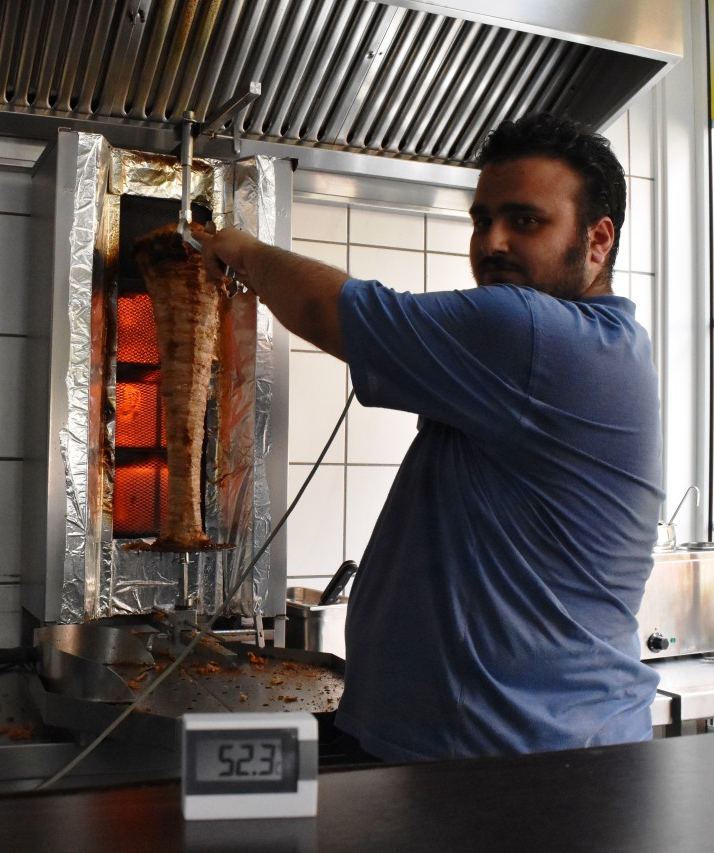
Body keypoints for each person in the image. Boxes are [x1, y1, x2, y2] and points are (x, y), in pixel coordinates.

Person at [198, 112, 663, 762]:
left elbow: (328, 310)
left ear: (597, 241)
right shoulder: (596, 345)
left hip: (517, 771)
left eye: (525, 220)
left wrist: (236, 249)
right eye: (481, 219)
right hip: (455, 746)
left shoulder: (536, 335)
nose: (492, 241)